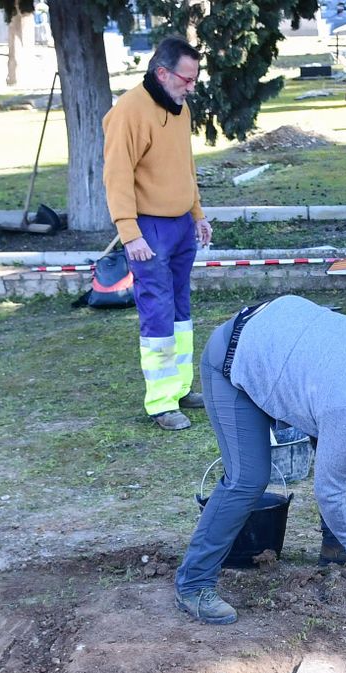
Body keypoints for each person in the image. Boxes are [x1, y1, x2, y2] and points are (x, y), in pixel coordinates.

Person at [175, 296, 346, 625]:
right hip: (234, 356)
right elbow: (328, 492)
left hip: (287, 344)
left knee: (344, 457)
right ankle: (193, 583)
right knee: (247, 478)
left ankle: (338, 548)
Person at [101, 36, 213, 431]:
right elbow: (116, 177)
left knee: (180, 307)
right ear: (162, 73)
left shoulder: (179, 107)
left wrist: (197, 214)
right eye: (186, 79)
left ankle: (180, 388)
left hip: (181, 224)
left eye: (195, 79)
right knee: (157, 310)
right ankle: (162, 403)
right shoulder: (128, 112)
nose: (191, 87)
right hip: (148, 228)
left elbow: (185, 166)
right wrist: (130, 234)